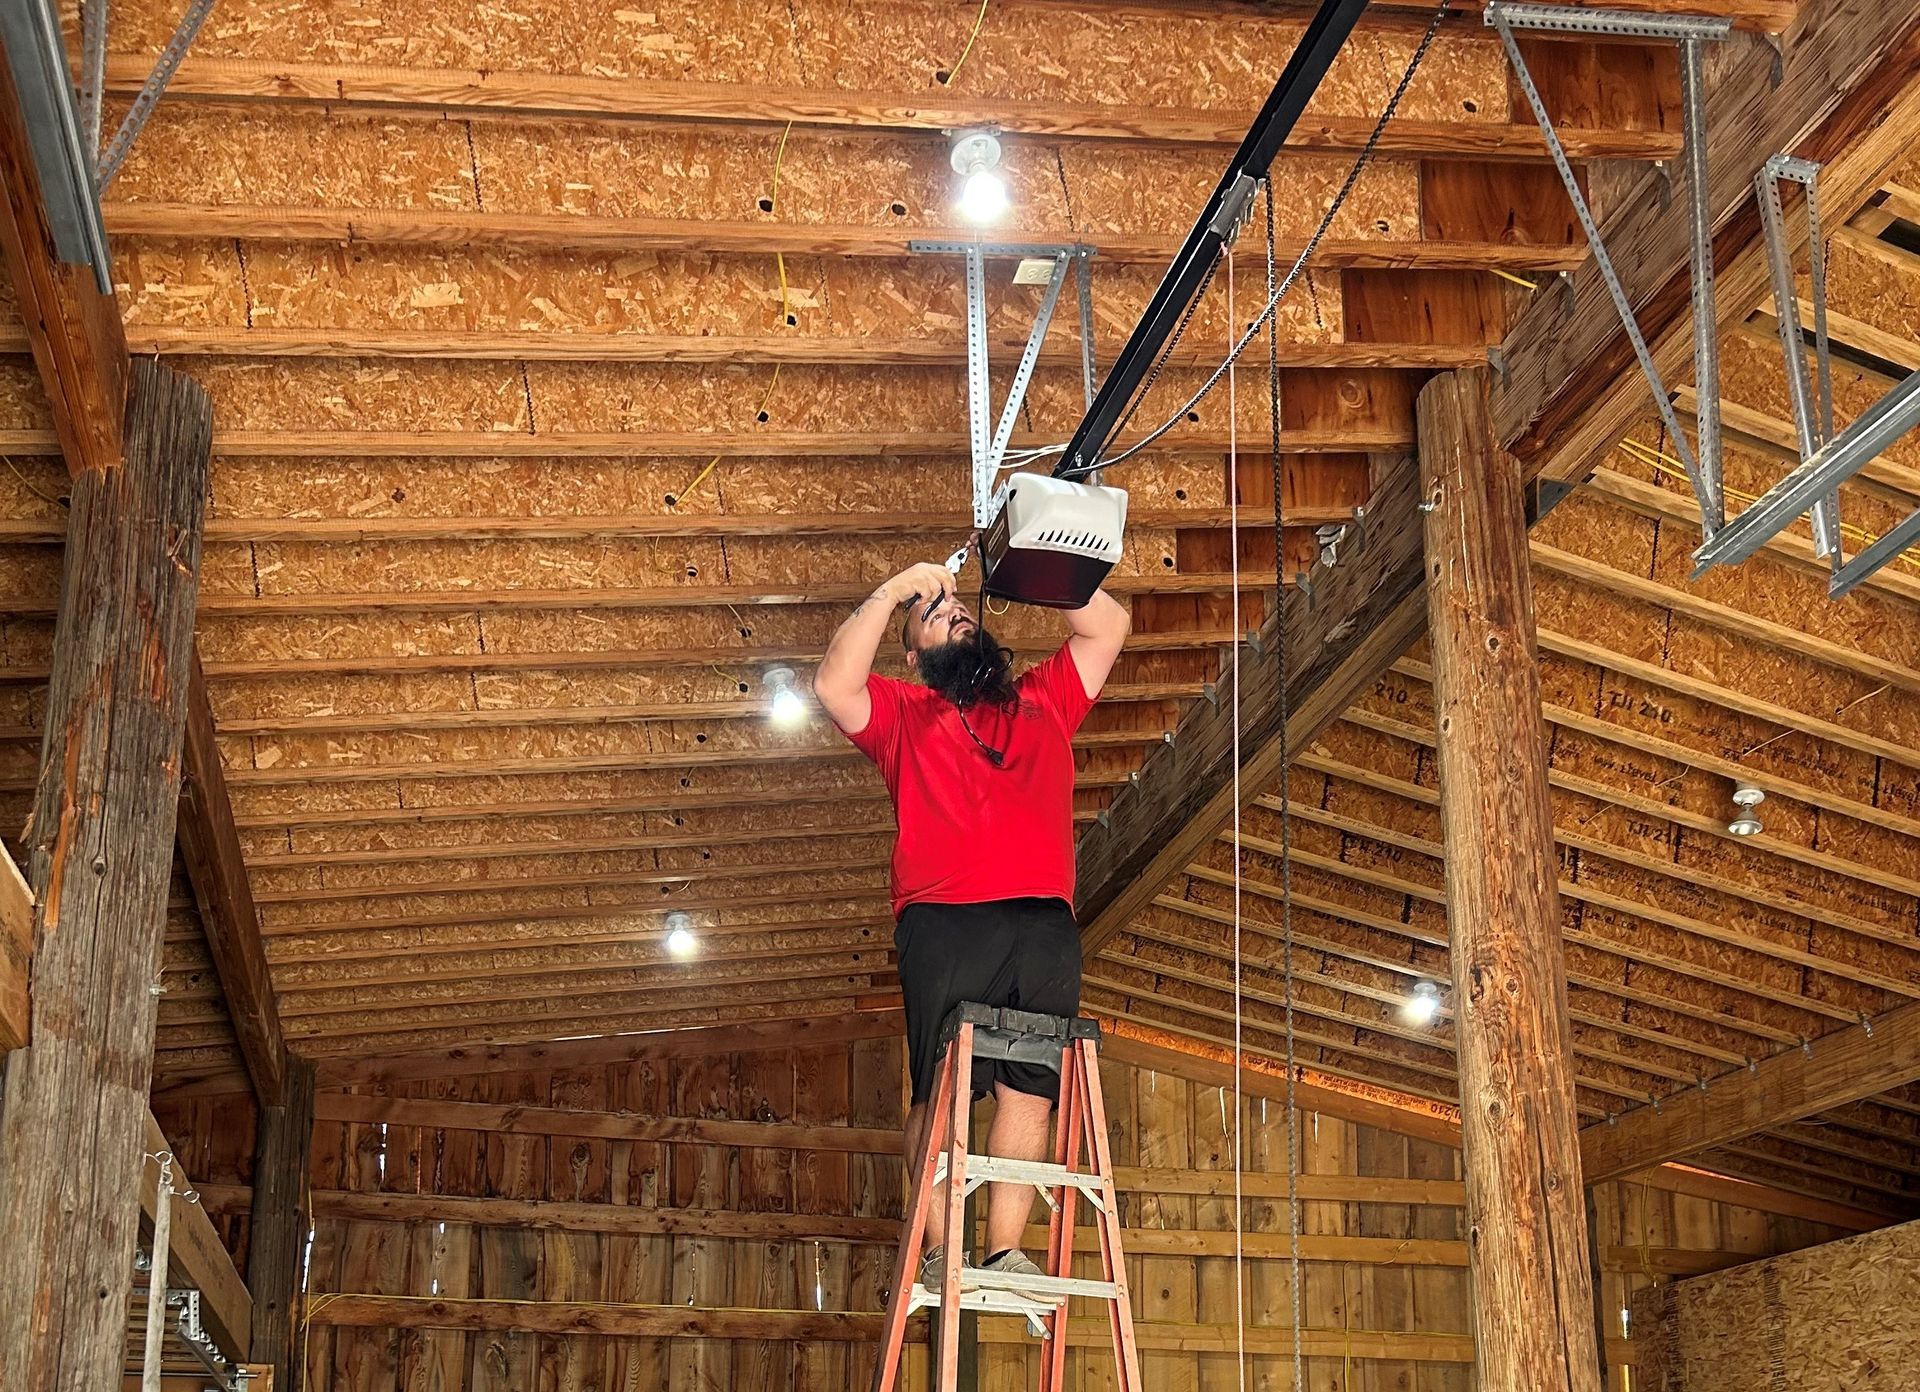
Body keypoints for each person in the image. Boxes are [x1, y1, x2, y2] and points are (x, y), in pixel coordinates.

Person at [813, 559, 1129, 1294]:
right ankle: (938, 1248)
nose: (955, 612)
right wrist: (896, 590)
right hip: (944, 916)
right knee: (943, 1089)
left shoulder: (1043, 698)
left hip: (1045, 917)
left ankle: (1004, 1252)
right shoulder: (901, 713)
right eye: (935, 614)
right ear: (914, 653)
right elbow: (833, 684)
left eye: (959, 606)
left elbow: (1107, 625)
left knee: (1031, 1087)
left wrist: (1039, 569)